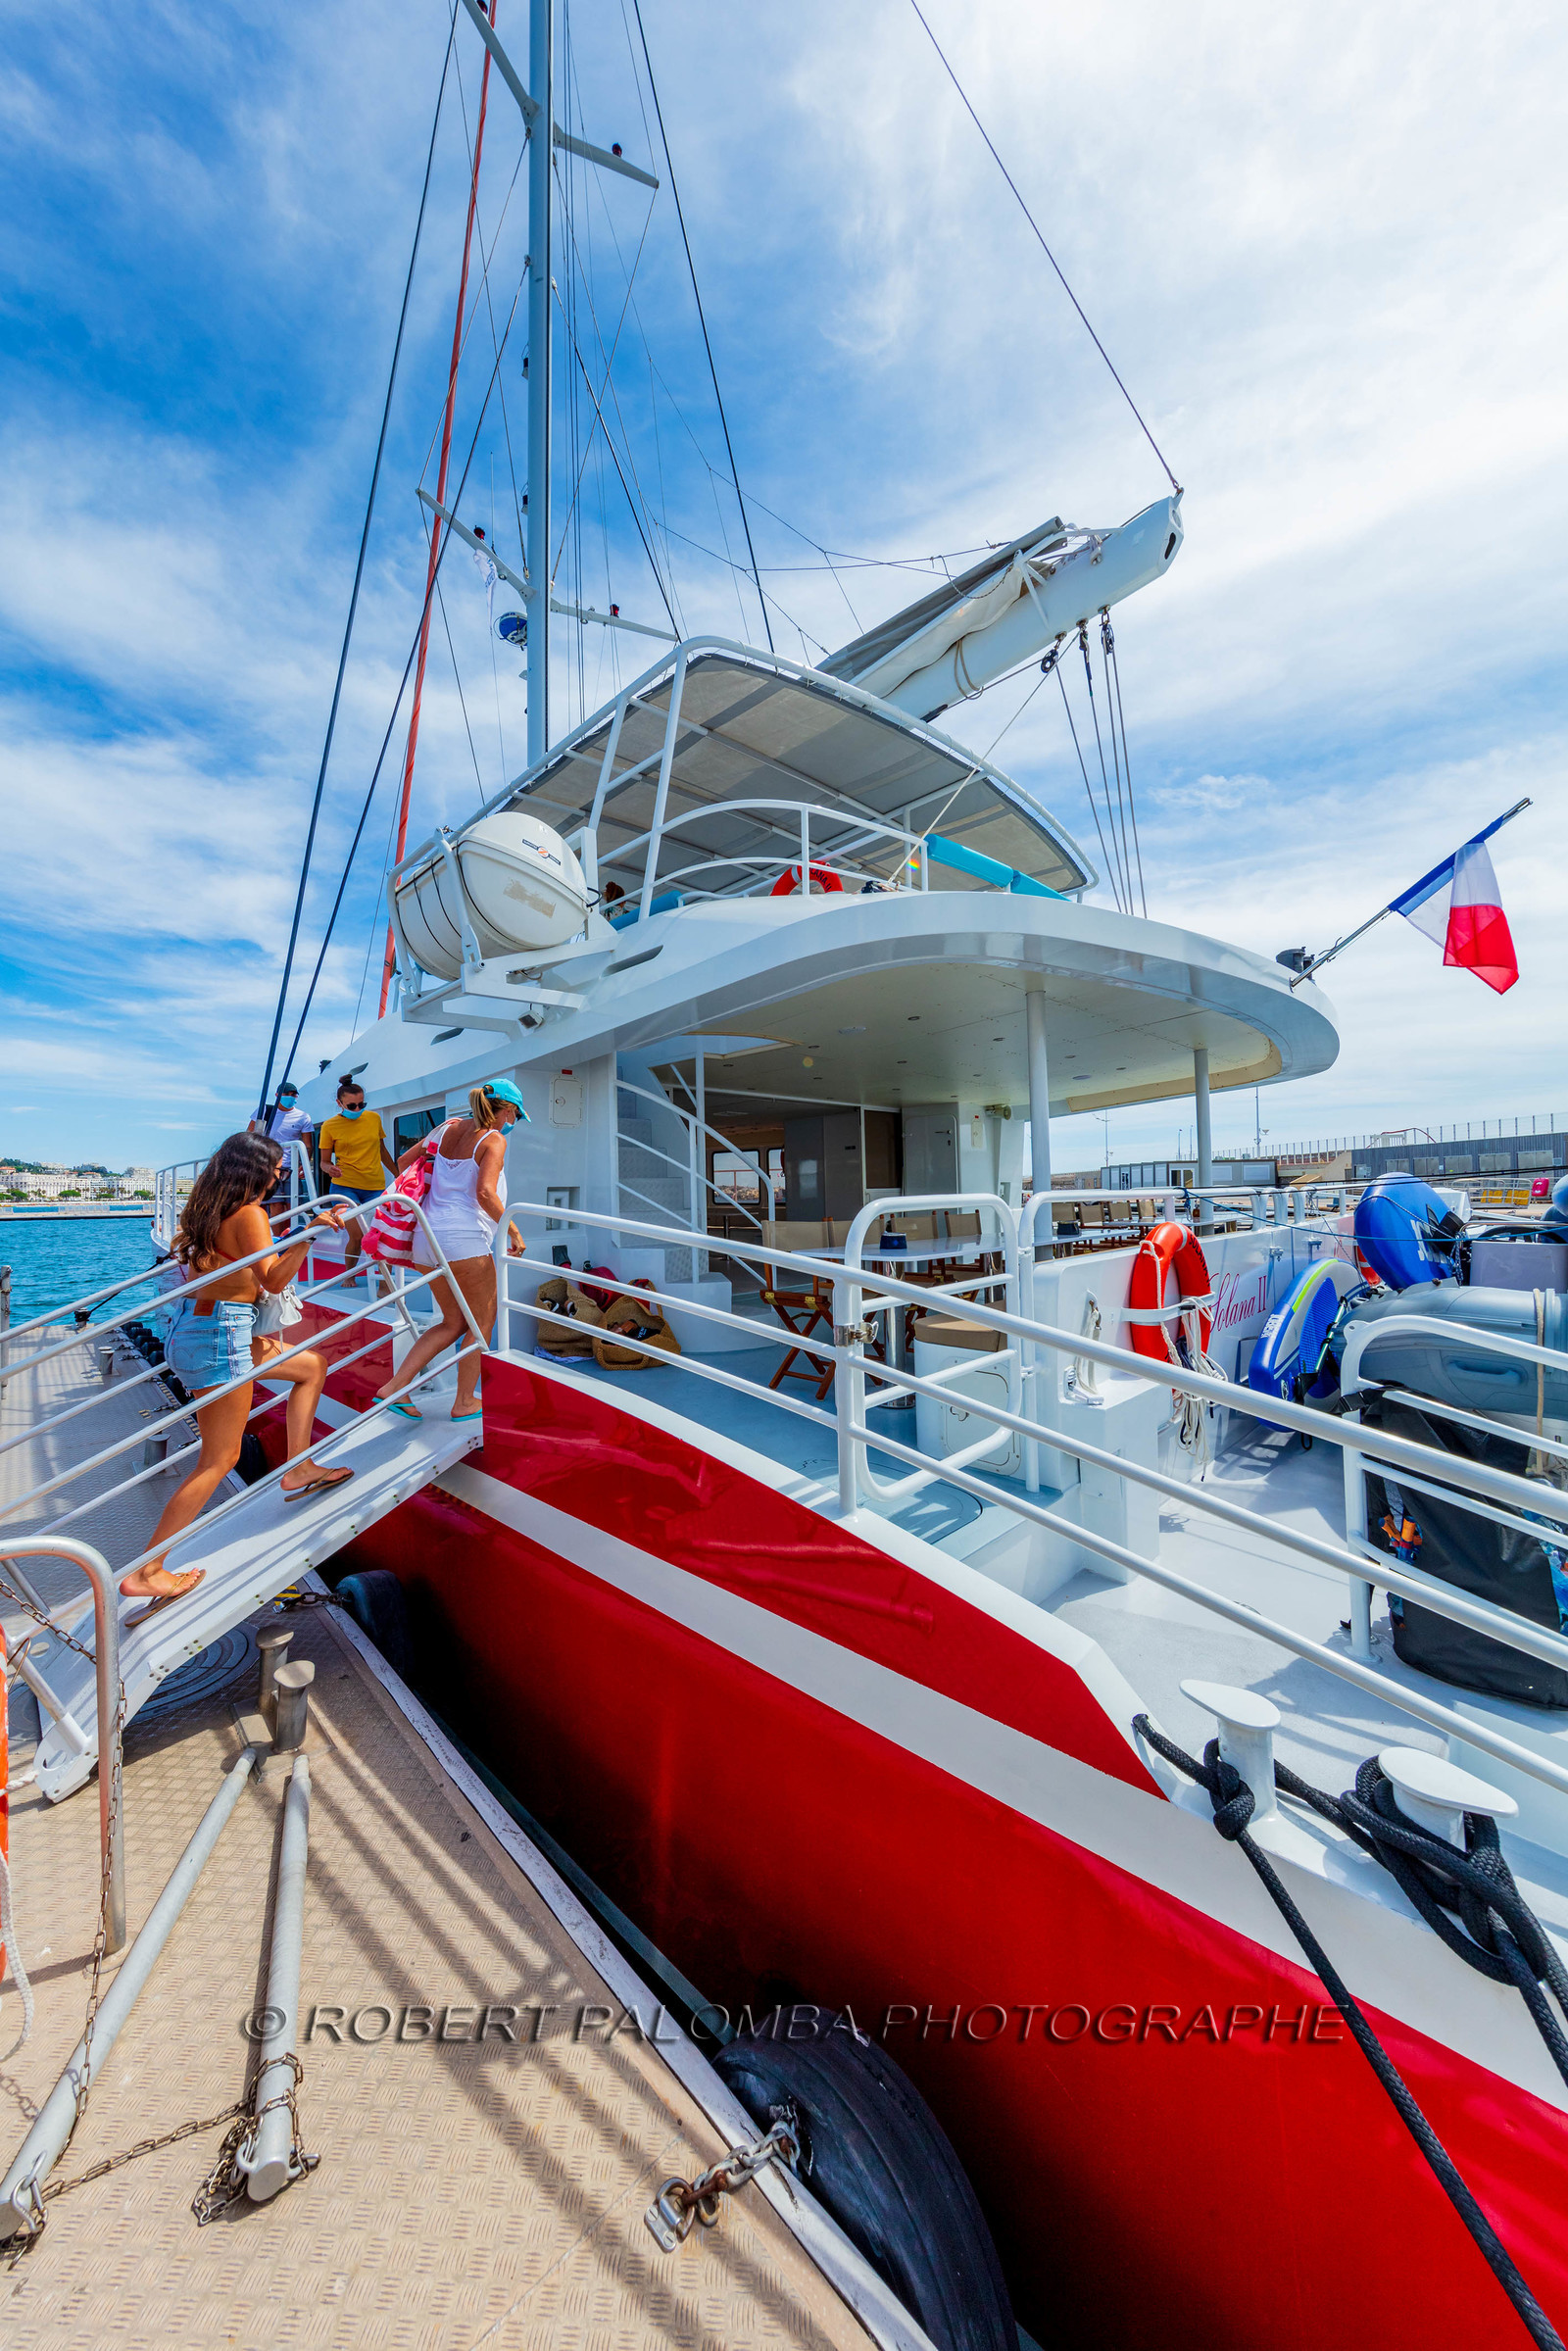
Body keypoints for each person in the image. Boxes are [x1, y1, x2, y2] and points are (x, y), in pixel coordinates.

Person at [122, 1133, 352, 1621]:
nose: (277, 1177)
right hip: (222, 1334)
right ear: (254, 1170)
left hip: (203, 1325)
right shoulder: (251, 1214)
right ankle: (147, 1569)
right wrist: (310, 1233)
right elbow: (271, 1279)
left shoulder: (208, 1211)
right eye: (275, 1169)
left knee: (310, 1366)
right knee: (219, 1458)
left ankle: (299, 1466)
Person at [375, 1080, 526, 1424]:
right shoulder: (494, 1139)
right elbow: (486, 1193)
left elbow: (402, 1162)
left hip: (426, 1237)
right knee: (480, 1322)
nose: (511, 1122)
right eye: (514, 1115)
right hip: (464, 1238)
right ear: (505, 1110)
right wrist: (513, 1230)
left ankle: (396, 1387)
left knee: (453, 1321)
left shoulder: (446, 1128)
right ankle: (464, 1401)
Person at [318, 1078, 395, 1278]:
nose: (358, 1108)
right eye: (352, 1105)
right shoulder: (329, 1126)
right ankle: (349, 1276)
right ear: (339, 1103)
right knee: (357, 1235)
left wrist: (397, 1174)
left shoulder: (374, 1119)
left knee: (382, 1235)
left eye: (362, 1104)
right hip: (344, 1187)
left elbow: (382, 1150)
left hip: (374, 1185)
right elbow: (323, 1162)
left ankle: (386, 1282)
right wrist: (329, 1169)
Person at [251, 1081, 315, 1212]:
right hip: (268, 1166)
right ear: (277, 1095)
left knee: (294, 1204)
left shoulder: (303, 1117)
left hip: (292, 1168)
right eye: (287, 1094)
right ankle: (279, 1234)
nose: (291, 1096)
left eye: (294, 1094)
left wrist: (304, 1164)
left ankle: (293, 1232)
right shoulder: (264, 1111)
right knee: (276, 1204)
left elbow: (308, 1145)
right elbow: (250, 1135)